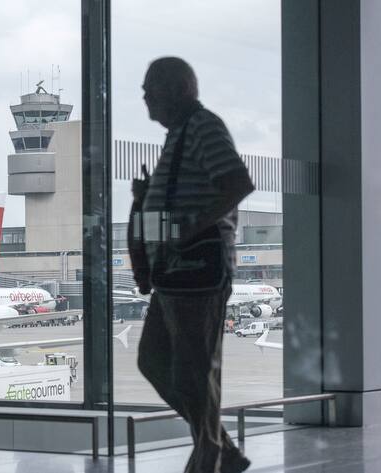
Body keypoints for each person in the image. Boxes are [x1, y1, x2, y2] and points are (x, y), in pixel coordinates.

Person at [134, 58, 255, 473]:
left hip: (194, 273)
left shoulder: (202, 127)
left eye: (152, 87)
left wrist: (187, 230)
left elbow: (237, 183)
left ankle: (209, 454)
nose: (145, 95)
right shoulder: (179, 136)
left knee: (193, 370)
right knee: (156, 362)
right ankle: (220, 447)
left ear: (180, 89)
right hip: (174, 274)